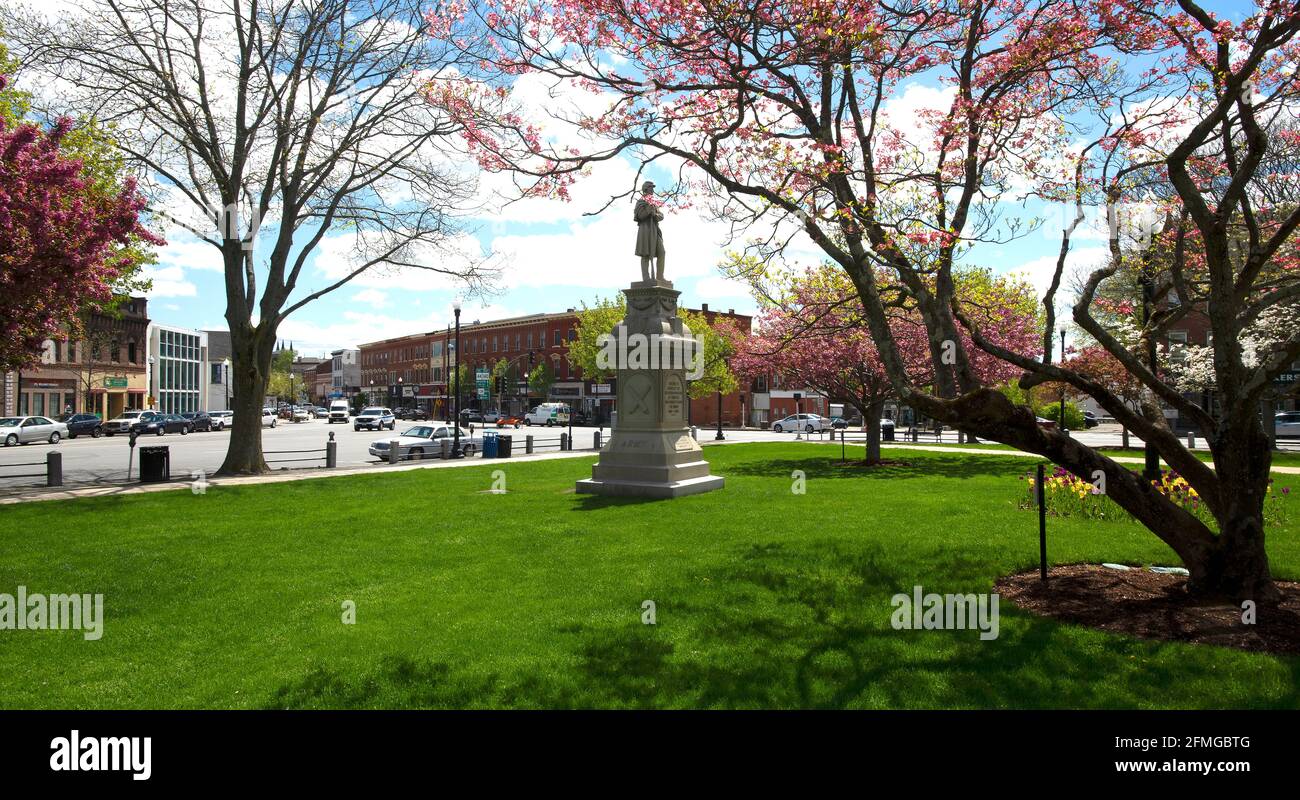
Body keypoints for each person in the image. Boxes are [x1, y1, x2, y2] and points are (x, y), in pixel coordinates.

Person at [634, 180, 666, 281]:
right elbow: (640, 216)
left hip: (655, 230)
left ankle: (660, 277)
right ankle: (646, 278)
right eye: (651, 187)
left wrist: (655, 214)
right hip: (645, 230)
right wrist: (649, 209)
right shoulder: (641, 202)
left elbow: (661, 216)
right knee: (645, 254)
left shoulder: (653, 203)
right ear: (646, 188)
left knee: (662, 252)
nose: (653, 189)